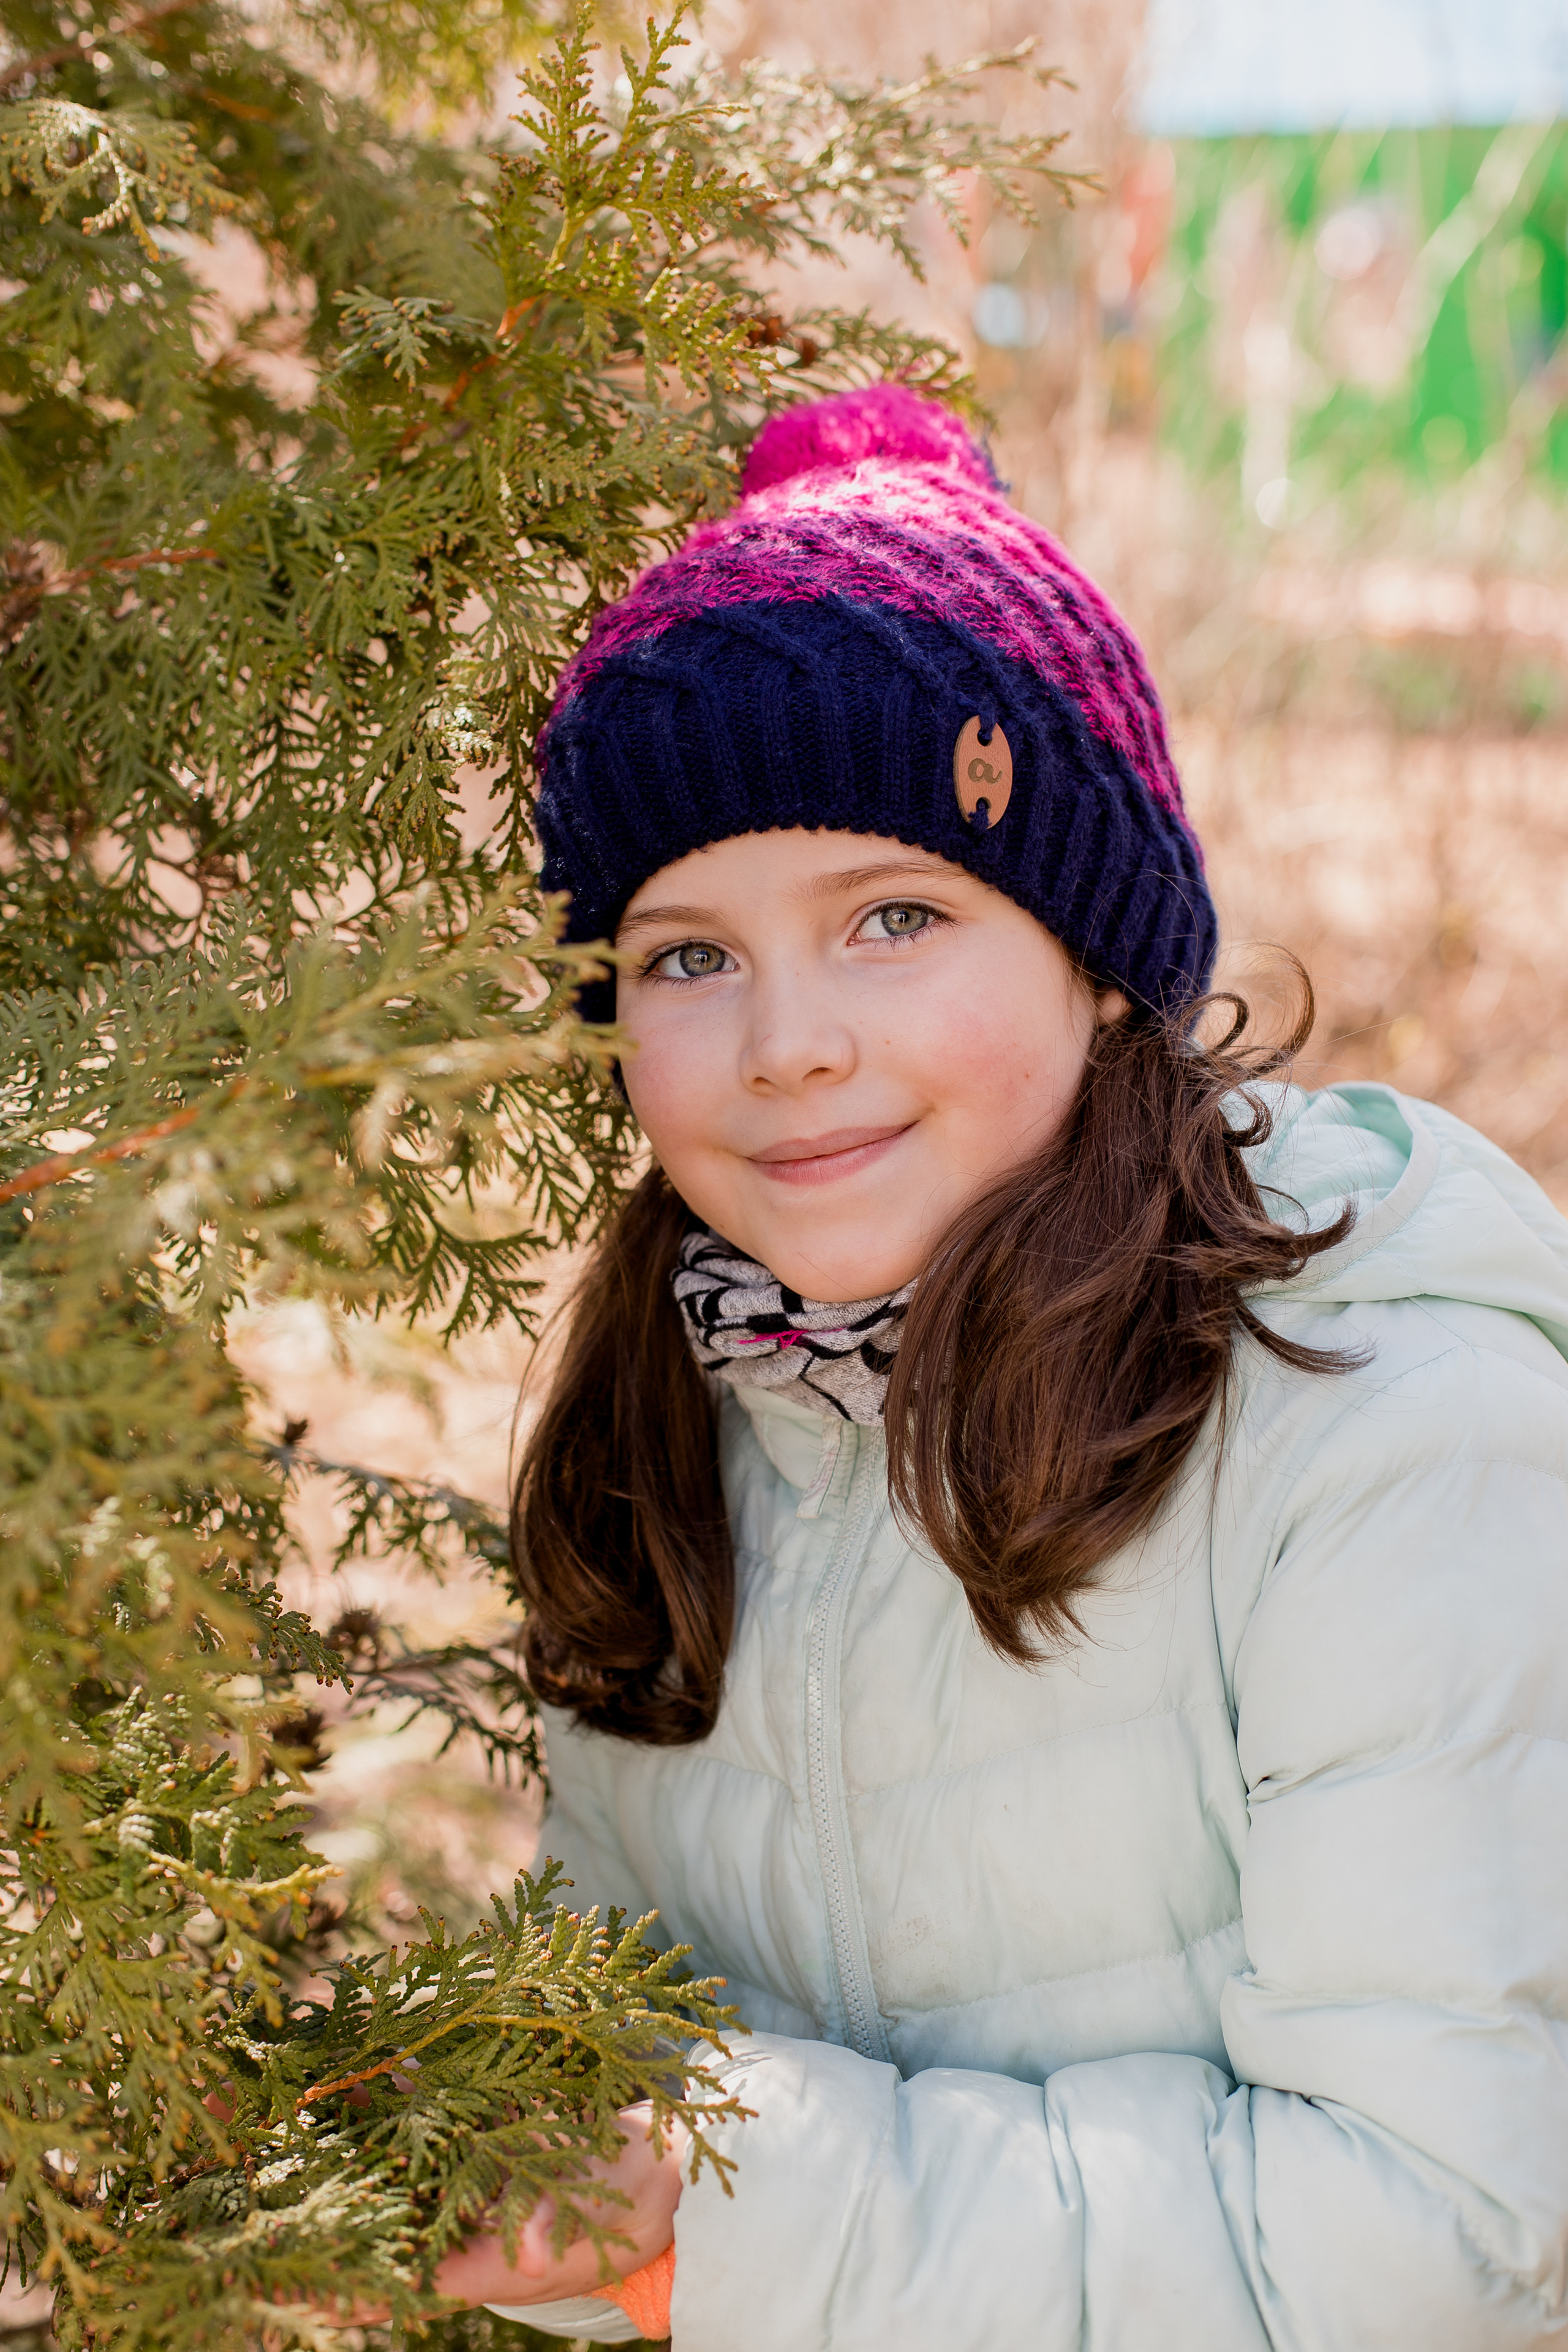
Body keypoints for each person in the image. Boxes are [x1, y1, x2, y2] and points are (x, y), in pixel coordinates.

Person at [437, 384, 1568, 2349]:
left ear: (1101, 955)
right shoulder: (677, 1413)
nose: (786, 1040)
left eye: (895, 916)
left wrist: (719, 2210)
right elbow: (629, 2063)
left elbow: (1440, 2239)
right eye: (686, 955)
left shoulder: (1389, 1418)